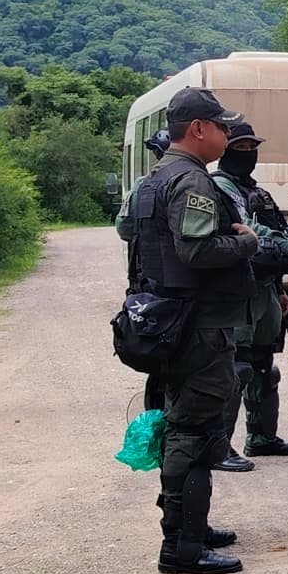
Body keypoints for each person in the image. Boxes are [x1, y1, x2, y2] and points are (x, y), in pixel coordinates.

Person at [133, 87, 256, 574]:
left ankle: (192, 527)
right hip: (198, 326)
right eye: (222, 126)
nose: (227, 134)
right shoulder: (191, 181)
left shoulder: (153, 179)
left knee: (185, 426)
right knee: (194, 431)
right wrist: (245, 242)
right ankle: (182, 548)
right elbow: (197, 251)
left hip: (169, 322)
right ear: (199, 129)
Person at [212, 120, 288, 463]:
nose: (247, 153)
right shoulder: (220, 188)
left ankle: (261, 437)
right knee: (236, 369)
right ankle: (219, 447)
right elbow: (249, 229)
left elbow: (275, 227)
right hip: (237, 290)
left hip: (264, 289)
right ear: (226, 150)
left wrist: (280, 288)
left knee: (264, 367)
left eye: (251, 147)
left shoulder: (256, 191)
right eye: (240, 147)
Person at [117, 128, 171, 412]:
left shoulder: (143, 185)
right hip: (182, 284)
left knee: (159, 354)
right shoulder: (197, 181)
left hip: (148, 281)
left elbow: (124, 228)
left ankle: (158, 418)